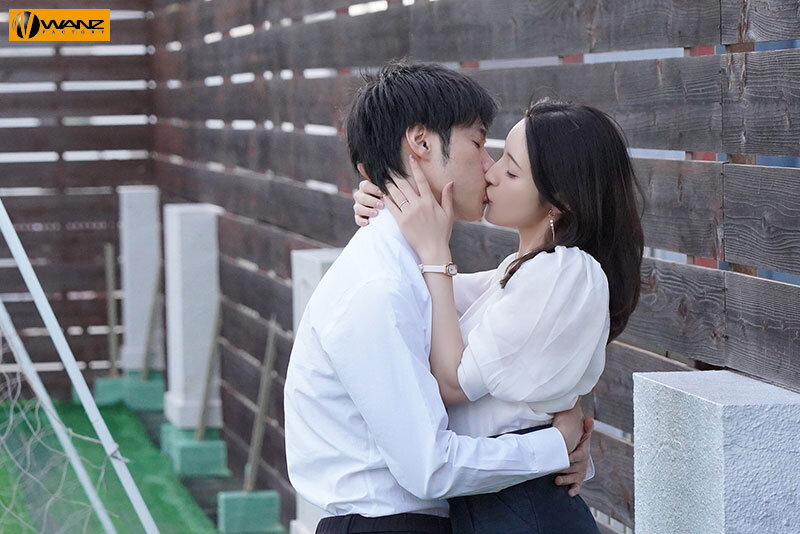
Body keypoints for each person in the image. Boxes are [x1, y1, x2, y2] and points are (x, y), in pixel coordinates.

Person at [284, 60, 594, 534]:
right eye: (478, 142)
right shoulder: (379, 288)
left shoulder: (414, 269)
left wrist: (564, 421)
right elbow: (430, 466)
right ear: (422, 143)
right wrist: (554, 445)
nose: (488, 166)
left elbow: (516, 326)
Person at [352, 98, 645, 533]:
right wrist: (383, 204)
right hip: (499, 505)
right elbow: (425, 298)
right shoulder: (519, 273)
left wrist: (436, 251)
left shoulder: (564, 273)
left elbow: (453, 383)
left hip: (523, 512)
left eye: (511, 170)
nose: (490, 172)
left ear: (559, 201)